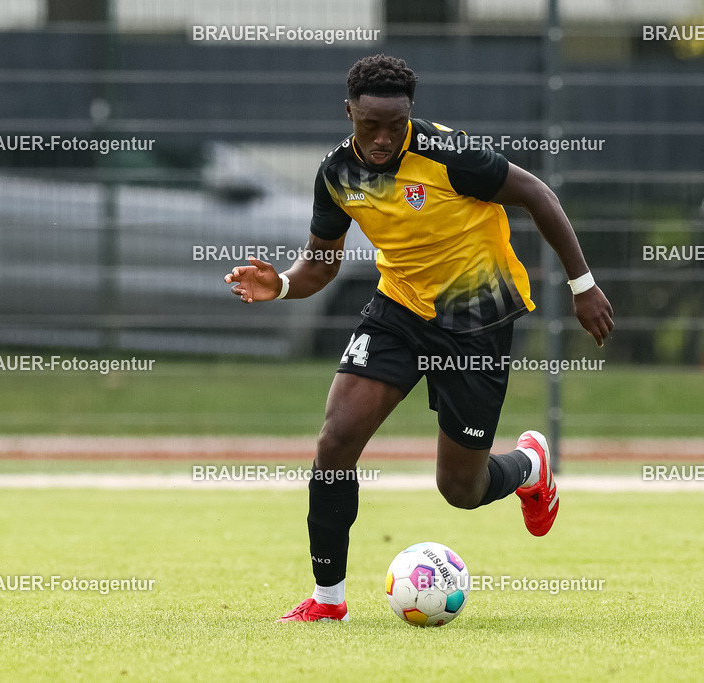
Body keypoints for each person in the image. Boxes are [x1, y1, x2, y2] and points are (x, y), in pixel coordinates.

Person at [225, 54, 613, 623]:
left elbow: (538, 195)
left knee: (460, 488)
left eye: (395, 125)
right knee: (335, 442)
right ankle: (329, 600)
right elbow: (321, 265)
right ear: (349, 113)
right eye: (369, 125)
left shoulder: (451, 156)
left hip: (477, 319)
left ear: (410, 114)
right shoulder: (336, 174)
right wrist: (281, 285)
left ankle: (529, 466)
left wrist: (584, 286)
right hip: (399, 311)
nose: (382, 139)